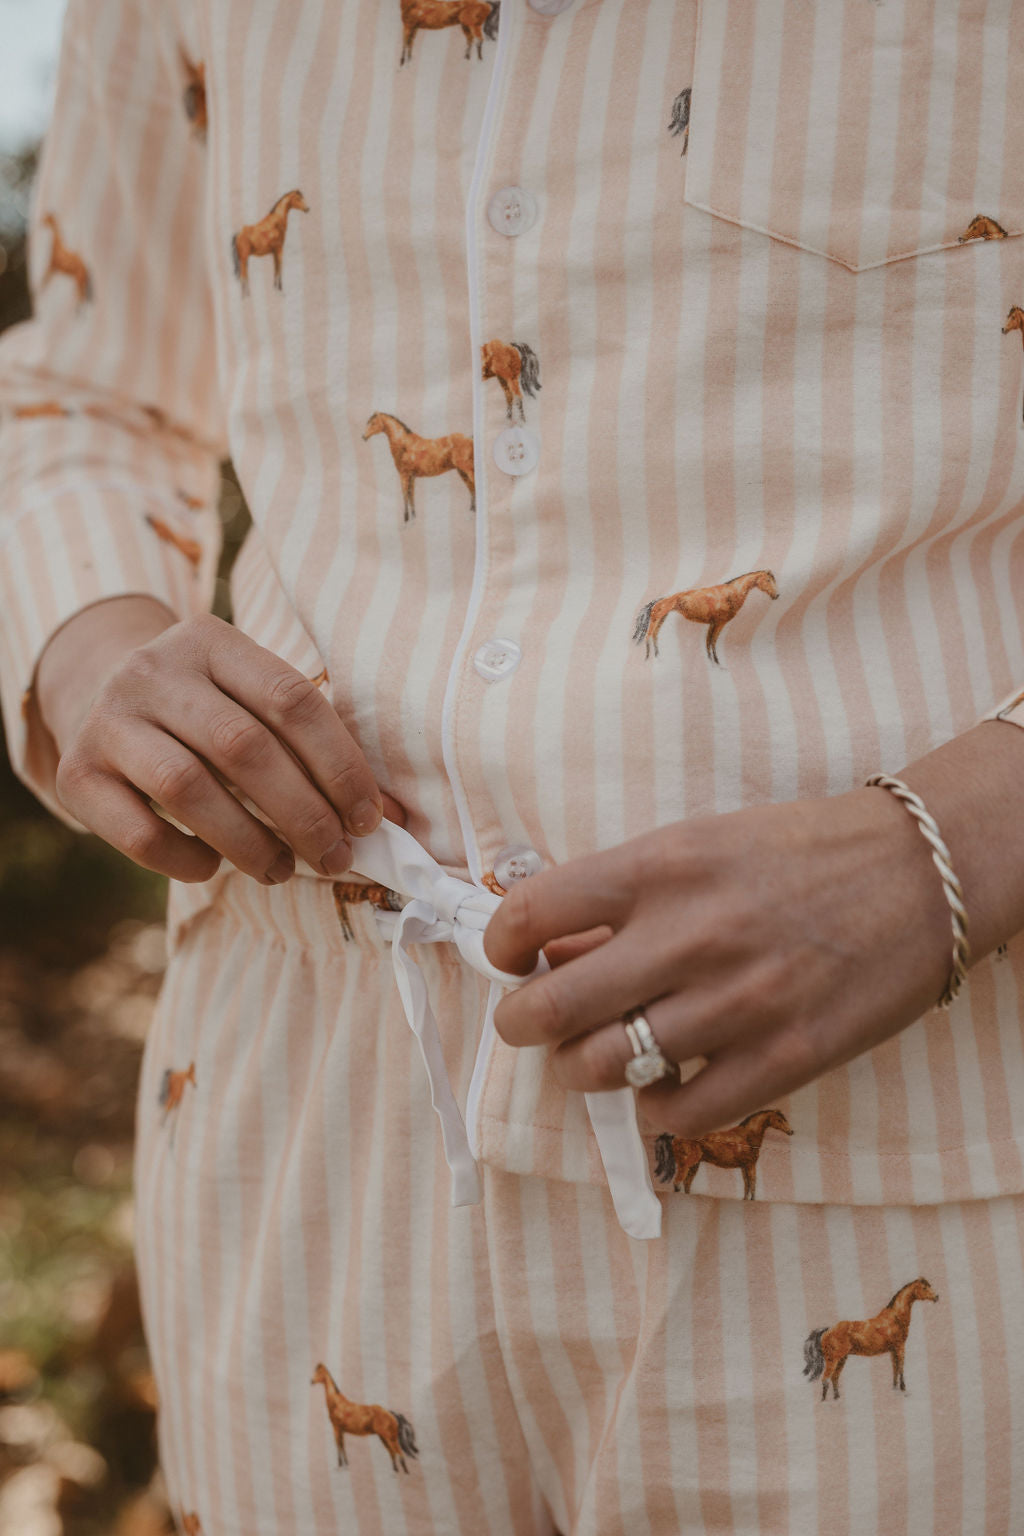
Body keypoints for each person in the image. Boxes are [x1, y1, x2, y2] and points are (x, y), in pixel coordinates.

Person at [2, 0, 1023, 1531]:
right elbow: (81, 387)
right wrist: (90, 644)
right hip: (302, 1162)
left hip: (941, 1128)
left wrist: (950, 845)